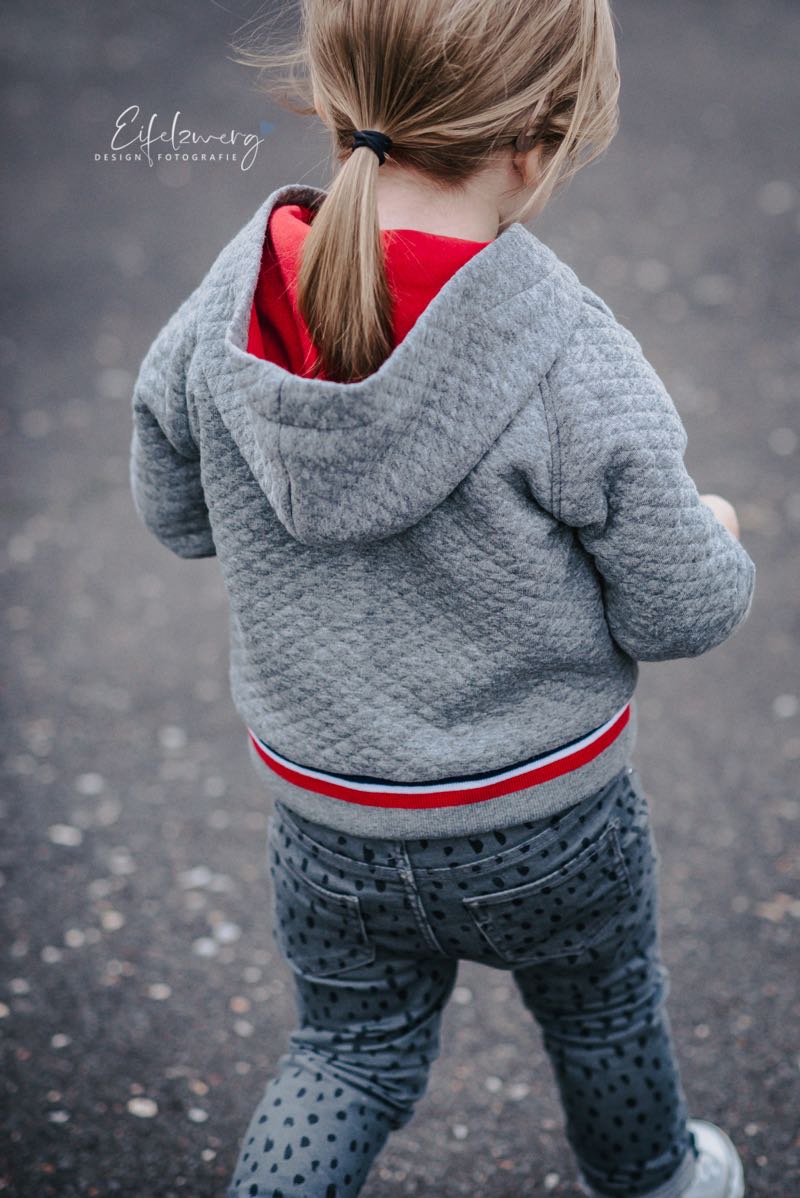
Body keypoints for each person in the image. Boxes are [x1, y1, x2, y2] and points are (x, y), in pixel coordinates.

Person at [129, 2, 755, 1195]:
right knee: (603, 1011)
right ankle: (658, 1181)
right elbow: (679, 609)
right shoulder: (564, 348)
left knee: (345, 1055)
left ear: (338, 89)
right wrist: (714, 534)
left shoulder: (231, 304)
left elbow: (175, 511)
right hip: (547, 825)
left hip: (331, 822)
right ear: (537, 136)